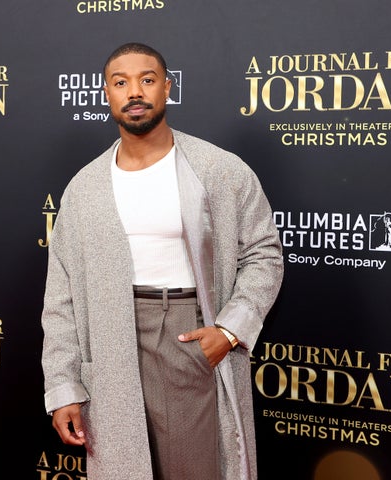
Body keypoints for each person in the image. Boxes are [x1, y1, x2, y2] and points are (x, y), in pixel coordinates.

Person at [41, 42, 283, 480]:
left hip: (188, 336)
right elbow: (61, 296)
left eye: (147, 80)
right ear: (106, 94)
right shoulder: (84, 188)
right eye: (121, 82)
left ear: (167, 88)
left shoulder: (219, 169)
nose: (135, 92)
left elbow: (264, 253)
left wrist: (230, 330)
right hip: (110, 340)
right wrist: (63, 386)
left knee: (196, 470)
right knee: (122, 467)